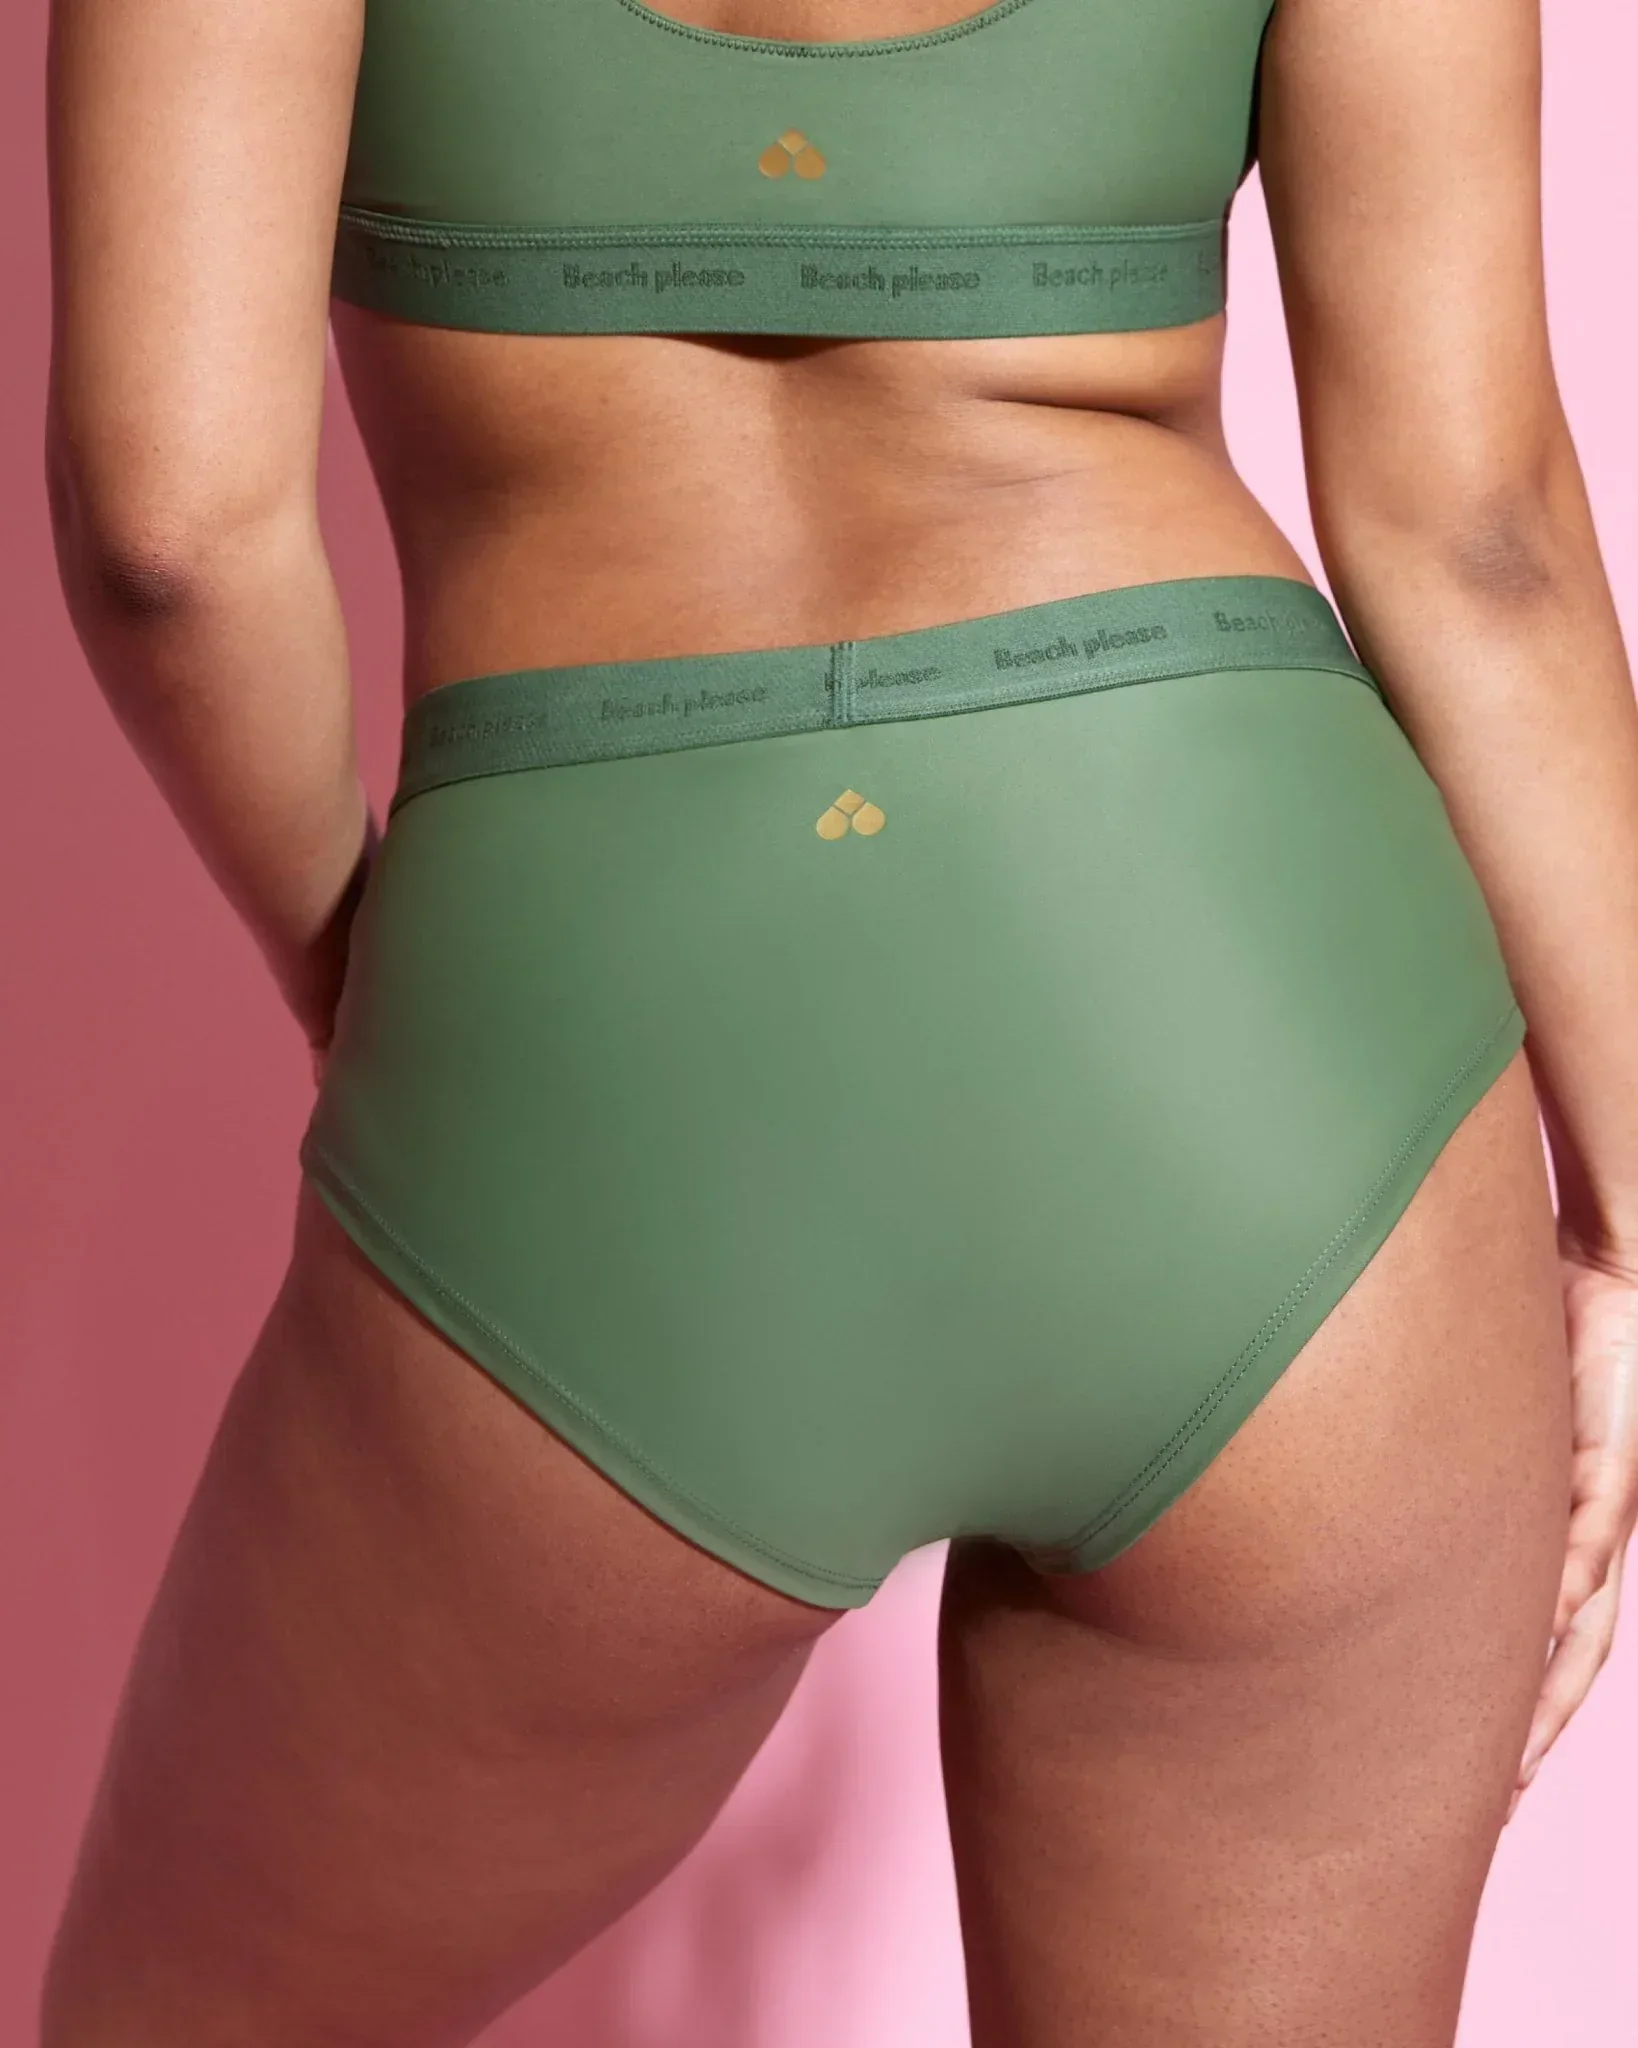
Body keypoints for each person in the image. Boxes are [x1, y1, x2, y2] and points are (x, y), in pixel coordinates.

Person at [36, 0, 1638, 2040]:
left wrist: (356, 970)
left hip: (620, 1025)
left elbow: (171, 530)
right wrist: (1627, 1220)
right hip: (1267, 1028)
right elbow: (1474, 529)